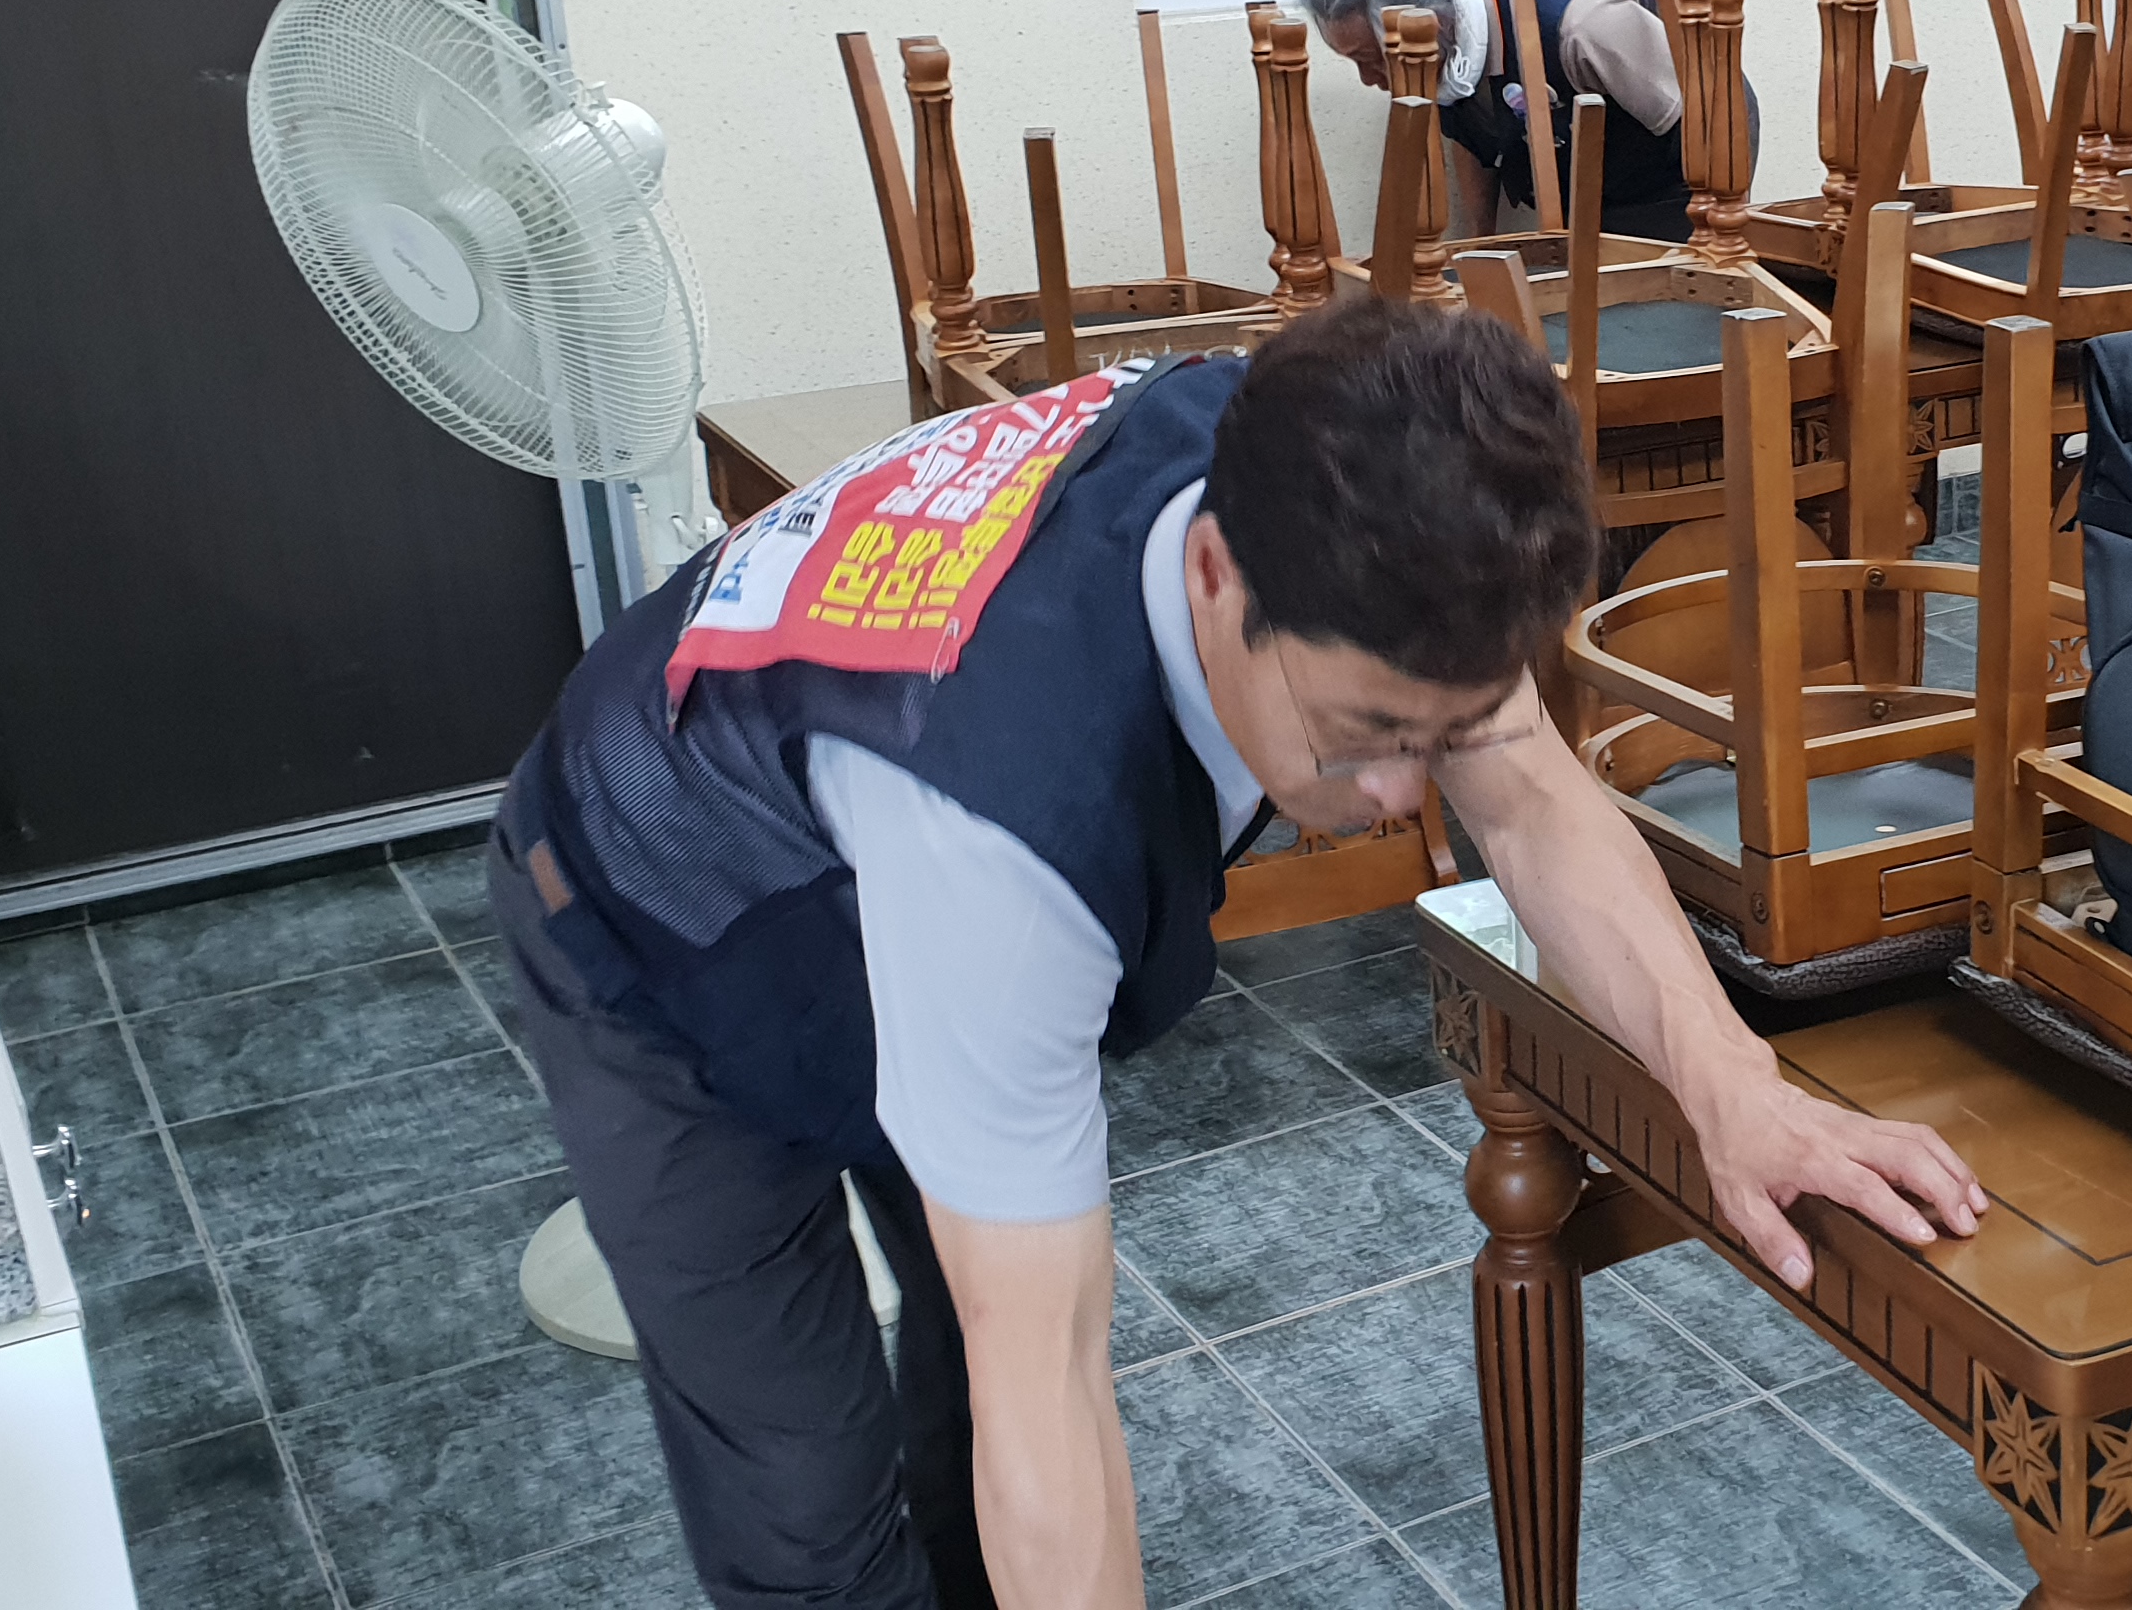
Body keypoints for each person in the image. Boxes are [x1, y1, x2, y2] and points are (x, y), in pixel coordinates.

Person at [486, 298, 1981, 1608]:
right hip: (651, 917)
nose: (1400, 796)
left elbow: (1529, 794)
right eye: (1365, 731)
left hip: (879, 850)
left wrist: (1734, 1089)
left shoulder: (1325, 471)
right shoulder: (1008, 831)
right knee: (811, 1506)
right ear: (1214, 574)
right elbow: (1051, 1373)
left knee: (964, 1410)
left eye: (1443, 731)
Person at [1296, 0, 1753, 243]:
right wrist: (1479, 243)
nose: (1369, 80)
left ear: (1433, 24)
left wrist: (1715, 236)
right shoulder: (1438, 21)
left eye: (1372, 60)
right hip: (1580, 194)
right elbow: (1469, 127)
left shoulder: (1586, 25)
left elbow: (1719, 120)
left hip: (1670, 176)